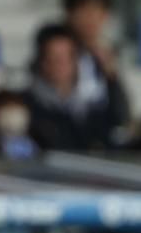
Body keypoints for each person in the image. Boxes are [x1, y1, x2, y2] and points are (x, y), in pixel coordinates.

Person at [27, 23, 128, 151]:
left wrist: (111, 77)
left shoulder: (93, 104)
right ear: (41, 61)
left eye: (66, 57)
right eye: (53, 57)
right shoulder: (28, 105)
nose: (60, 65)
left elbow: (120, 120)